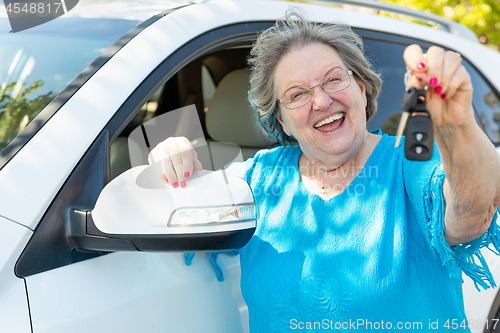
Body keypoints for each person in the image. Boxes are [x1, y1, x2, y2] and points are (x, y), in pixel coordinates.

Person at [150, 8, 500, 332]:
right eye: (297, 94)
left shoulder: (410, 161)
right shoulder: (258, 180)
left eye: (334, 80)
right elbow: (176, 209)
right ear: (282, 121)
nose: (321, 101)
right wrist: (170, 163)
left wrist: (459, 126)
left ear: (361, 89)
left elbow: (469, 215)